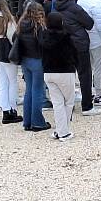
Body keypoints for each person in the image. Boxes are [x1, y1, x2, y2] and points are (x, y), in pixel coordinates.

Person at [53, 0, 101, 117]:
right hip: (79, 44)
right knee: (84, 74)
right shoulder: (74, 7)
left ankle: (67, 103)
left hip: (64, 43)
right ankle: (87, 106)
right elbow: (89, 23)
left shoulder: (56, 5)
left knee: (67, 75)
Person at [11, 1, 51, 132]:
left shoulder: (21, 25)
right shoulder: (39, 27)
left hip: (25, 60)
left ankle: (27, 122)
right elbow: (43, 44)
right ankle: (38, 122)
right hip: (37, 60)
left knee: (29, 90)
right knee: (38, 91)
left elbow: (14, 38)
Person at [41, 12, 78, 142]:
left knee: (57, 103)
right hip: (65, 72)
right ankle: (63, 131)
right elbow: (74, 53)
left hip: (48, 72)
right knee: (68, 102)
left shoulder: (43, 36)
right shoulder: (66, 37)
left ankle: (60, 130)